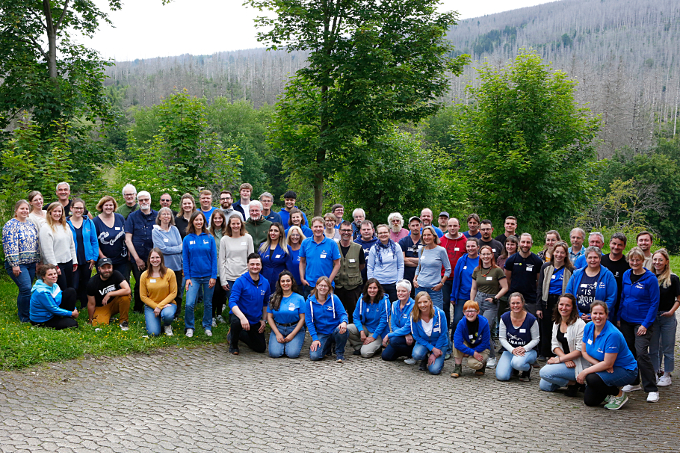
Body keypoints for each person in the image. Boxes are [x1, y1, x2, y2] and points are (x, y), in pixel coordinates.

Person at [618, 246, 660, 402]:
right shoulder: (626, 275)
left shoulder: (650, 279)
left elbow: (654, 303)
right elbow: (623, 296)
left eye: (638, 260)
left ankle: (652, 388)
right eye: (632, 260)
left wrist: (645, 324)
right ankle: (634, 381)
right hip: (626, 320)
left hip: (642, 322)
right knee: (630, 353)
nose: (634, 262)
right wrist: (618, 317)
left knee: (641, 353)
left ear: (643, 261)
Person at [578, 301, 638, 410]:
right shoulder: (588, 327)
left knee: (591, 378)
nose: (597, 316)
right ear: (590, 314)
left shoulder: (612, 334)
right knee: (589, 401)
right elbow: (584, 352)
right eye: (595, 313)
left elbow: (608, 363)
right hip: (606, 366)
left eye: (601, 313)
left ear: (606, 315)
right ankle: (609, 390)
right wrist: (600, 365)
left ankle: (619, 395)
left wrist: (585, 371)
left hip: (625, 370)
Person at [538, 294, 589, 395]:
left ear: (573, 307)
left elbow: (580, 350)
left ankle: (577, 380)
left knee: (544, 372)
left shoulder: (580, 324)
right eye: (561, 304)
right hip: (565, 360)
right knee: (544, 386)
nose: (564, 308)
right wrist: (565, 358)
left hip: (577, 363)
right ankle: (573, 383)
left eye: (567, 305)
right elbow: (555, 345)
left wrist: (560, 359)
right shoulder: (557, 322)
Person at [470, 245, 508, 367]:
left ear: (492, 255)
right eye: (483, 254)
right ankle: (480, 353)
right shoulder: (477, 270)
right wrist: (472, 303)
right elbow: (474, 288)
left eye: (488, 254)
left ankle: (492, 356)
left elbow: (505, 287)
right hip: (478, 300)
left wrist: (495, 298)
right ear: (480, 256)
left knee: (485, 328)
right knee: (476, 328)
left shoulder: (497, 270)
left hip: (490, 301)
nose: (485, 256)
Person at [3, 200, 41, 322]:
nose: (24, 211)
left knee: (27, 289)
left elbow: (36, 244)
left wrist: (37, 261)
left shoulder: (30, 225)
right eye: (22, 208)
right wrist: (15, 264)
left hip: (31, 263)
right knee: (25, 288)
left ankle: (27, 311)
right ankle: (24, 317)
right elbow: (10, 245)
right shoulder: (10, 225)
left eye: (26, 209)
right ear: (16, 210)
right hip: (18, 264)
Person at [182, 211, 218, 338]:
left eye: (201, 220)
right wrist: (187, 278)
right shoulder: (187, 239)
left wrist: (214, 276)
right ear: (192, 221)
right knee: (189, 303)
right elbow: (185, 260)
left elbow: (214, 258)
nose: (198, 222)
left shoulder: (210, 237)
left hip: (208, 276)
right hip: (194, 277)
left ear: (204, 222)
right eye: (196, 220)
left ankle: (207, 325)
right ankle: (189, 326)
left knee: (208, 303)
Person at [536, 241, 573, 359]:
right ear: (553, 253)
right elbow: (540, 287)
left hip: (561, 302)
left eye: (562, 252)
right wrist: (538, 307)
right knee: (546, 327)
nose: (559, 255)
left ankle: (557, 352)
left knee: (559, 327)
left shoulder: (570, 270)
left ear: (566, 254)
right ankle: (544, 352)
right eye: (557, 252)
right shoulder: (546, 267)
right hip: (547, 301)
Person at [228, 253, 270, 355]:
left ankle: (241, 334)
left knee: (261, 348)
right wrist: (242, 317)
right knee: (236, 322)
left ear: (261, 266)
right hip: (239, 316)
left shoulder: (265, 282)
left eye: (257, 264)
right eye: (252, 264)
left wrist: (264, 320)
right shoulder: (240, 281)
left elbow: (266, 303)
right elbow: (232, 302)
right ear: (247, 265)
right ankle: (233, 343)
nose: (255, 267)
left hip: (254, 319)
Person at [650, 249, 679, 387]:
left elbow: (678, 299)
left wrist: (671, 312)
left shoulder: (673, 278)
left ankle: (667, 374)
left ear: (666, 261)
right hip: (653, 317)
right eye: (655, 259)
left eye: (660, 260)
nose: (657, 262)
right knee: (654, 347)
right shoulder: (649, 277)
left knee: (667, 347)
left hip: (667, 316)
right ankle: (655, 372)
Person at [125, 191, 158, 313]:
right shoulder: (132, 217)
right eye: (141, 200)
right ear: (138, 202)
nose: (144, 202)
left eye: (146, 199)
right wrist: (137, 259)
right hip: (137, 256)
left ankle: (153, 305)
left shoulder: (157, 216)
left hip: (154, 257)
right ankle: (138, 308)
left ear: (150, 200)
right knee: (140, 283)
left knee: (154, 282)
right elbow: (128, 239)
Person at [496, 293, 540, 382]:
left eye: (518, 303)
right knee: (502, 377)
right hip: (510, 350)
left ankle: (526, 369)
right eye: (513, 303)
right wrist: (512, 350)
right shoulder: (504, 317)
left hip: (528, 351)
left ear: (523, 303)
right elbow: (502, 338)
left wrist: (524, 348)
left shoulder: (531, 319)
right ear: (509, 304)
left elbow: (536, 339)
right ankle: (513, 368)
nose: (515, 305)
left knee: (518, 363)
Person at [304, 276, 349, 362]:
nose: (323, 288)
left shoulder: (334, 298)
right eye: (321, 285)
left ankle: (339, 353)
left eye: (325, 286)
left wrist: (344, 322)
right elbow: (309, 322)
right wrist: (315, 339)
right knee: (314, 356)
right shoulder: (309, 302)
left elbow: (343, 314)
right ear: (316, 286)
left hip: (335, 330)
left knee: (343, 330)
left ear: (329, 288)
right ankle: (327, 347)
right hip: (322, 332)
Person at [565, 246, 617, 321]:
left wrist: (595, 314)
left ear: (600, 258)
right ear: (586, 259)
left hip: (599, 319)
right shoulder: (576, 274)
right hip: (577, 317)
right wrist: (577, 313)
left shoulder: (608, 275)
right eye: (590, 257)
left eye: (595, 257)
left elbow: (611, 298)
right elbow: (569, 294)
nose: (593, 260)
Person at [152, 207, 184, 317]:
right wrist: (177, 248)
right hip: (164, 267)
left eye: (168, 214)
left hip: (177, 266)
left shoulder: (174, 229)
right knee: (165, 291)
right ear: (159, 217)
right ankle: (163, 312)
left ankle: (176, 314)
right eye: (164, 214)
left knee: (177, 291)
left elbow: (182, 246)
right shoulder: (156, 231)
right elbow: (162, 249)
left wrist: (176, 249)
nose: (166, 216)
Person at [267, 271, 306, 358]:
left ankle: (290, 344)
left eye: (288, 281)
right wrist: (277, 333)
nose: (285, 283)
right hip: (278, 328)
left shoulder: (299, 298)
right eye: (283, 281)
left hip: (294, 329)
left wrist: (292, 335)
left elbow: (302, 319)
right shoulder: (273, 297)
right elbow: (269, 317)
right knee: (275, 354)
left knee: (292, 354)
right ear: (279, 283)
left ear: (292, 282)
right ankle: (282, 345)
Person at [67, 198, 99, 308]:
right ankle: (72, 304)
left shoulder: (89, 222)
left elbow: (94, 241)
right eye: (76, 208)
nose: (79, 210)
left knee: (86, 283)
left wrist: (94, 257)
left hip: (87, 258)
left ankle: (85, 305)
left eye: (81, 208)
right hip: (72, 259)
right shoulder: (65, 223)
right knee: (74, 284)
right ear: (71, 208)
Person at [39, 202, 78, 291]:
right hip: (56, 264)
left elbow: (71, 245)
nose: (57, 214)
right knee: (61, 288)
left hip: (68, 261)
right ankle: (60, 305)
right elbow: (47, 250)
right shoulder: (46, 228)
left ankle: (70, 304)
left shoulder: (65, 225)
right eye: (55, 211)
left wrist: (74, 261)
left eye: (59, 211)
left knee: (70, 287)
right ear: (50, 212)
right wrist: (55, 267)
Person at [299, 217, 341, 297]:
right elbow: (302, 262)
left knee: (326, 308)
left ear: (324, 227)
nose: (318, 229)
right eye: (315, 226)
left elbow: (337, 264)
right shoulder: (305, 243)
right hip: (310, 284)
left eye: (320, 226)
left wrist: (329, 281)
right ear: (311, 228)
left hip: (326, 285)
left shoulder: (332, 243)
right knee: (310, 308)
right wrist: (302, 278)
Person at [348, 279, 390, 358]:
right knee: (348, 328)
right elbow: (356, 316)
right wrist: (361, 331)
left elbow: (384, 321)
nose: (372, 290)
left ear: (378, 289)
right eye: (370, 288)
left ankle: (377, 347)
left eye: (375, 288)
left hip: (378, 332)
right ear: (366, 289)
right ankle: (359, 347)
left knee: (365, 354)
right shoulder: (362, 299)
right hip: (366, 328)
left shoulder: (384, 301)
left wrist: (373, 337)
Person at [140, 248, 177, 337]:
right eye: (152, 258)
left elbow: (173, 292)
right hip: (151, 306)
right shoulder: (144, 275)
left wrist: (160, 306)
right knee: (153, 333)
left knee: (167, 315)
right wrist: (157, 307)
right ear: (149, 259)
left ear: (161, 259)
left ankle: (167, 325)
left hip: (168, 304)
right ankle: (153, 320)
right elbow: (143, 296)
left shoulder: (170, 273)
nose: (155, 260)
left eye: (157, 257)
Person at [414, 226, 451, 315]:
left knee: (437, 314)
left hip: (434, 289)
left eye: (429, 235)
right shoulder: (421, 250)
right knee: (420, 314)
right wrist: (414, 279)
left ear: (434, 236)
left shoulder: (441, 250)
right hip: (420, 287)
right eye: (424, 235)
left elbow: (448, 269)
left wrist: (441, 283)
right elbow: (419, 266)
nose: (426, 237)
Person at [87, 257, 131, 330]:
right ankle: (107, 317)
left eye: (109, 267)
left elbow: (127, 290)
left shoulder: (116, 274)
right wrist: (90, 320)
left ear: (112, 267)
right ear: (99, 269)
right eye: (103, 268)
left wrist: (110, 294)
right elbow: (91, 303)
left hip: (115, 303)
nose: (107, 270)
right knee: (99, 324)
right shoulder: (92, 282)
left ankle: (123, 321)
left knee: (125, 297)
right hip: (101, 307)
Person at [29, 264, 79, 330]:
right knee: (73, 324)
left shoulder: (54, 284)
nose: (53, 276)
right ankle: (43, 326)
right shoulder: (42, 292)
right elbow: (53, 308)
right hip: (43, 319)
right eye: (50, 275)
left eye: (55, 274)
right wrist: (71, 313)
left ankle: (68, 317)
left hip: (52, 313)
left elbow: (62, 296)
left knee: (70, 291)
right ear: (43, 277)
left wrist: (74, 309)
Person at [504, 233, 542, 315]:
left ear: (531, 244)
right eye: (523, 242)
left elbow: (538, 281)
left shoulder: (537, 261)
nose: (525, 245)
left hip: (531, 300)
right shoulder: (511, 260)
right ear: (519, 243)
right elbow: (507, 280)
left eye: (528, 242)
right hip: (514, 299)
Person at [451, 300, 491, 378]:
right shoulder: (461, 323)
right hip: (469, 345)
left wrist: (473, 352)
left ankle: (482, 365)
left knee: (473, 364)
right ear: (464, 312)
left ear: (478, 312)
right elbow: (458, 343)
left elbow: (485, 343)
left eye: (472, 311)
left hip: (482, 348)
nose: (469, 314)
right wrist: (472, 353)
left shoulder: (484, 323)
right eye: (467, 311)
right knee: (455, 344)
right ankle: (457, 367)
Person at [410, 292, 447, 375]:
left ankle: (439, 360)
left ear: (430, 302)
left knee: (434, 370)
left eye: (425, 302)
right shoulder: (414, 315)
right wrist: (432, 349)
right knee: (416, 354)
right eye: (419, 302)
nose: (422, 305)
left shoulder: (440, 314)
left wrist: (435, 352)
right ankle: (424, 358)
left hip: (439, 343)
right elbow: (415, 336)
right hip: (424, 342)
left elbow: (444, 334)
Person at [334, 221, 365, 323]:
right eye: (343, 230)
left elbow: (361, 266)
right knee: (337, 313)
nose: (346, 232)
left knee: (354, 313)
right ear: (339, 231)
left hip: (353, 287)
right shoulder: (333, 246)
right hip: (337, 286)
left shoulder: (358, 248)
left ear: (352, 232)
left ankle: (353, 335)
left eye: (348, 230)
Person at [92, 196, 129, 279]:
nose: (108, 207)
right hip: (104, 260)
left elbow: (126, 236)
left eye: (111, 205)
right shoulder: (95, 222)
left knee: (123, 282)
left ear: (114, 206)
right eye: (106, 205)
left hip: (121, 259)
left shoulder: (120, 218)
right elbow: (94, 242)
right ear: (101, 206)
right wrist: (102, 257)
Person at [219, 213, 254, 299]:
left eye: (238, 223)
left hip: (244, 276)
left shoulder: (248, 238)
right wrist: (223, 280)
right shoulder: (224, 239)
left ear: (241, 224)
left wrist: (251, 276)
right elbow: (221, 260)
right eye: (233, 224)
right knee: (233, 303)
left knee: (245, 301)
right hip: (229, 277)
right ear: (229, 225)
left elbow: (251, 259)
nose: (236, 226)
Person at [381, 280, 416, 362]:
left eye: (403, 291)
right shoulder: (394, 304)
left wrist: (388, 335)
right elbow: (393, 325)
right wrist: (405, 334)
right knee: (386, 356)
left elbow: (408, 327)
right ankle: (403, 352)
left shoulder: (414, 306)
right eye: (398, 291)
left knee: (393, 340)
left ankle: (412, 353)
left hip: (412, 336)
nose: (400, 293)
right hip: (402, 335)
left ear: (409, 292)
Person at [440, 217, 467, 325]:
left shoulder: (465, 241)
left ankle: (457, 329)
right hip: (444, 278)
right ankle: (446, 329)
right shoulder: (441, 241)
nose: (452, 228)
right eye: (450, 226)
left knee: (458, 305)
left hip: (460, 280)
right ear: (446, 227)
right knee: (444, 304)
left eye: (455, 226)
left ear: (459, 227)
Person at [368, 224, 404, 302]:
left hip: (393, 283)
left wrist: (399, 282)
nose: (383, 234)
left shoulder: (396, 247)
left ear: (389, 233)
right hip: (378, 284)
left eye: (385, 232)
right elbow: (370, 267)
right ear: (377, 235)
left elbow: (400, 266)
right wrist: (371, 284)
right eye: (380, 233)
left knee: (393, 307)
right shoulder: (373, 249)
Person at [450, 238, 480, 329]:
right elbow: (456, 279)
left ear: (478, 247)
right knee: (457, 320)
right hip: (462, 296)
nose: (470, 248)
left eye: (473, 246)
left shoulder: (482, 260)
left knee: (475, 321)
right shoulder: (462, 260)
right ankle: (454, 341)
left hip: (477, 296)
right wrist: (453, 296)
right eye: (468, 246)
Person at [601, 232, 630, 320]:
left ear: (624, 246)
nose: (616, 247)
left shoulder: (627, 264)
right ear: (610, 243)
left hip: (619, 305)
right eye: (614, 243)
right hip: (602, 302)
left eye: (620, 245)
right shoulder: (601, 261)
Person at [209, 209, 229, 325]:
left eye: (220, 218)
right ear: (212, 220)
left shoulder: (227, 232)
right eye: (215, 218)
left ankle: (219, 314)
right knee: (214, 292)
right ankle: (211, 316)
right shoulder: (208, 232)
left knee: (222, 293)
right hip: (213, 266)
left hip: (225, 267)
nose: (218, 220)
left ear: (223, 219)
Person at [259, 222, 289, 292]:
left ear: (281, 233)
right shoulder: (262, 246)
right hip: (264, 281)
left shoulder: (286, 248)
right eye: (271, 230)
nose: (273, 233)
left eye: (276, 231)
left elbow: (289, 268)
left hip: (279, 282)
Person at [399, 216, 423, 296]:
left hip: (422, 276)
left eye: (417, 225)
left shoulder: (425, 241)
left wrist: (408, 259)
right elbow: (402, 260)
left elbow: (427, 260)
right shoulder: (403, 241)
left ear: (421, 225)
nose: (415, 228)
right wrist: (420, 262)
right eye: (413, 225)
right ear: (409, 226)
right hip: (407, 277)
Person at [496, 235, 519, 318]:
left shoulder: (519, 258)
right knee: (501, 314)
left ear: (517, 246)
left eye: (512, 244)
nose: (510, 246)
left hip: (514, 288)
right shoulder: (501, 258)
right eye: (508, 244)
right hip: (501, 290)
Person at [285, 225, 306, 290]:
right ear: (289, 236)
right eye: (293, 235)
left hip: (302, 284)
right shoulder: (285, 249)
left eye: (297, 235)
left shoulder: (304, 249)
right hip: (288, 284)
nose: (295, 237)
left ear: (300, 236)